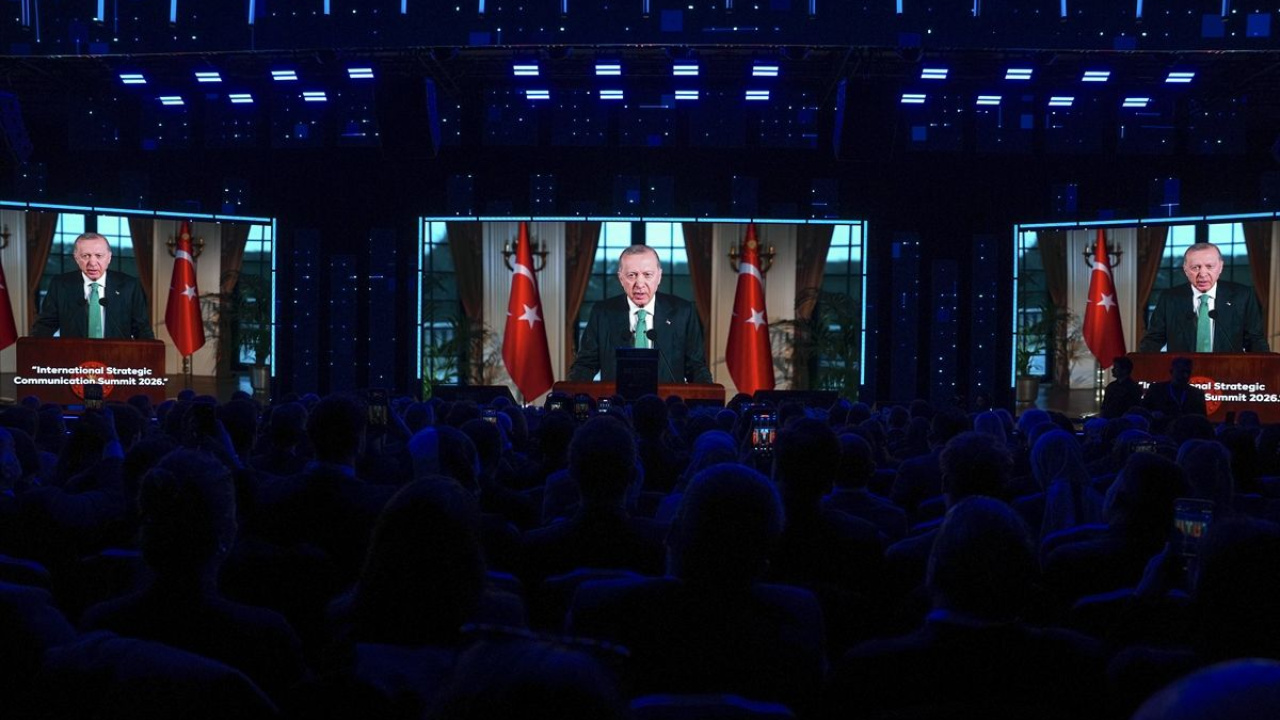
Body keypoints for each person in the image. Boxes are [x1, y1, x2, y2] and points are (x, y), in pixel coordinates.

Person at [567, 245, 713, 384]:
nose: (640, 284)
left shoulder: (683, 312)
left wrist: (709, 395)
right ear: (621, 278)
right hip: (617, 400)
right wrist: (570, 391)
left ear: (659, 276)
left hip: (667, 400)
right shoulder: (602, 313)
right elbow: (585, 365)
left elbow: (696, 367)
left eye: (647, 275)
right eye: (632, 275)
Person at [1138, 242, 1268, 353]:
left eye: (1209, 266)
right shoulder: (1169, 298)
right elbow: (1153, 340)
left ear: (1220, 267)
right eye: (1195, 268)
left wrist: (1266, 367)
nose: (1203, 274)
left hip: (1228, 371)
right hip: (1183, 372)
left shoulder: (1242, 296)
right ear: (1185, 269)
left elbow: (1255, 340)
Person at [31, 232, 154, 340]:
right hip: (73, 355)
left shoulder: (129, 286)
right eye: (86, 256)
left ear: (109, 257)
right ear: (76, 258)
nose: (93, 263)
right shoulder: (60, 285)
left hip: (117, 356)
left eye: (99, 256)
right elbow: (45, 326)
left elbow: (142, 330)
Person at [1141, 356, 1208, 416]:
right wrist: (1152, 414)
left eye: (1188, 372)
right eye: (1181, 372)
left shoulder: (1197, 394)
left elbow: (1202, 419)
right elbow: (1143, 412)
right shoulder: (1156, 390)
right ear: (1171, 371)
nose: (1185, 375)